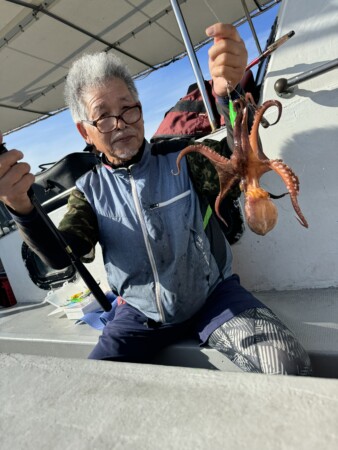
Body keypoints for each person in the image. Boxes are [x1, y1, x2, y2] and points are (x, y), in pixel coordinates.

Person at [0, 24, 312, 375]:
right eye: (102, 116)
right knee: (91, 386)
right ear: (84, 130)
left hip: (214, 299)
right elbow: (62, 256)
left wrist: (230, 93)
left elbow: (242, 158)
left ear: (141, 110)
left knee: (285, 363)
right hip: (138, 316)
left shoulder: (186, 157)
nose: (120, 123)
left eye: (128, 108)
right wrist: (22, 208)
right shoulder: (88, 192)